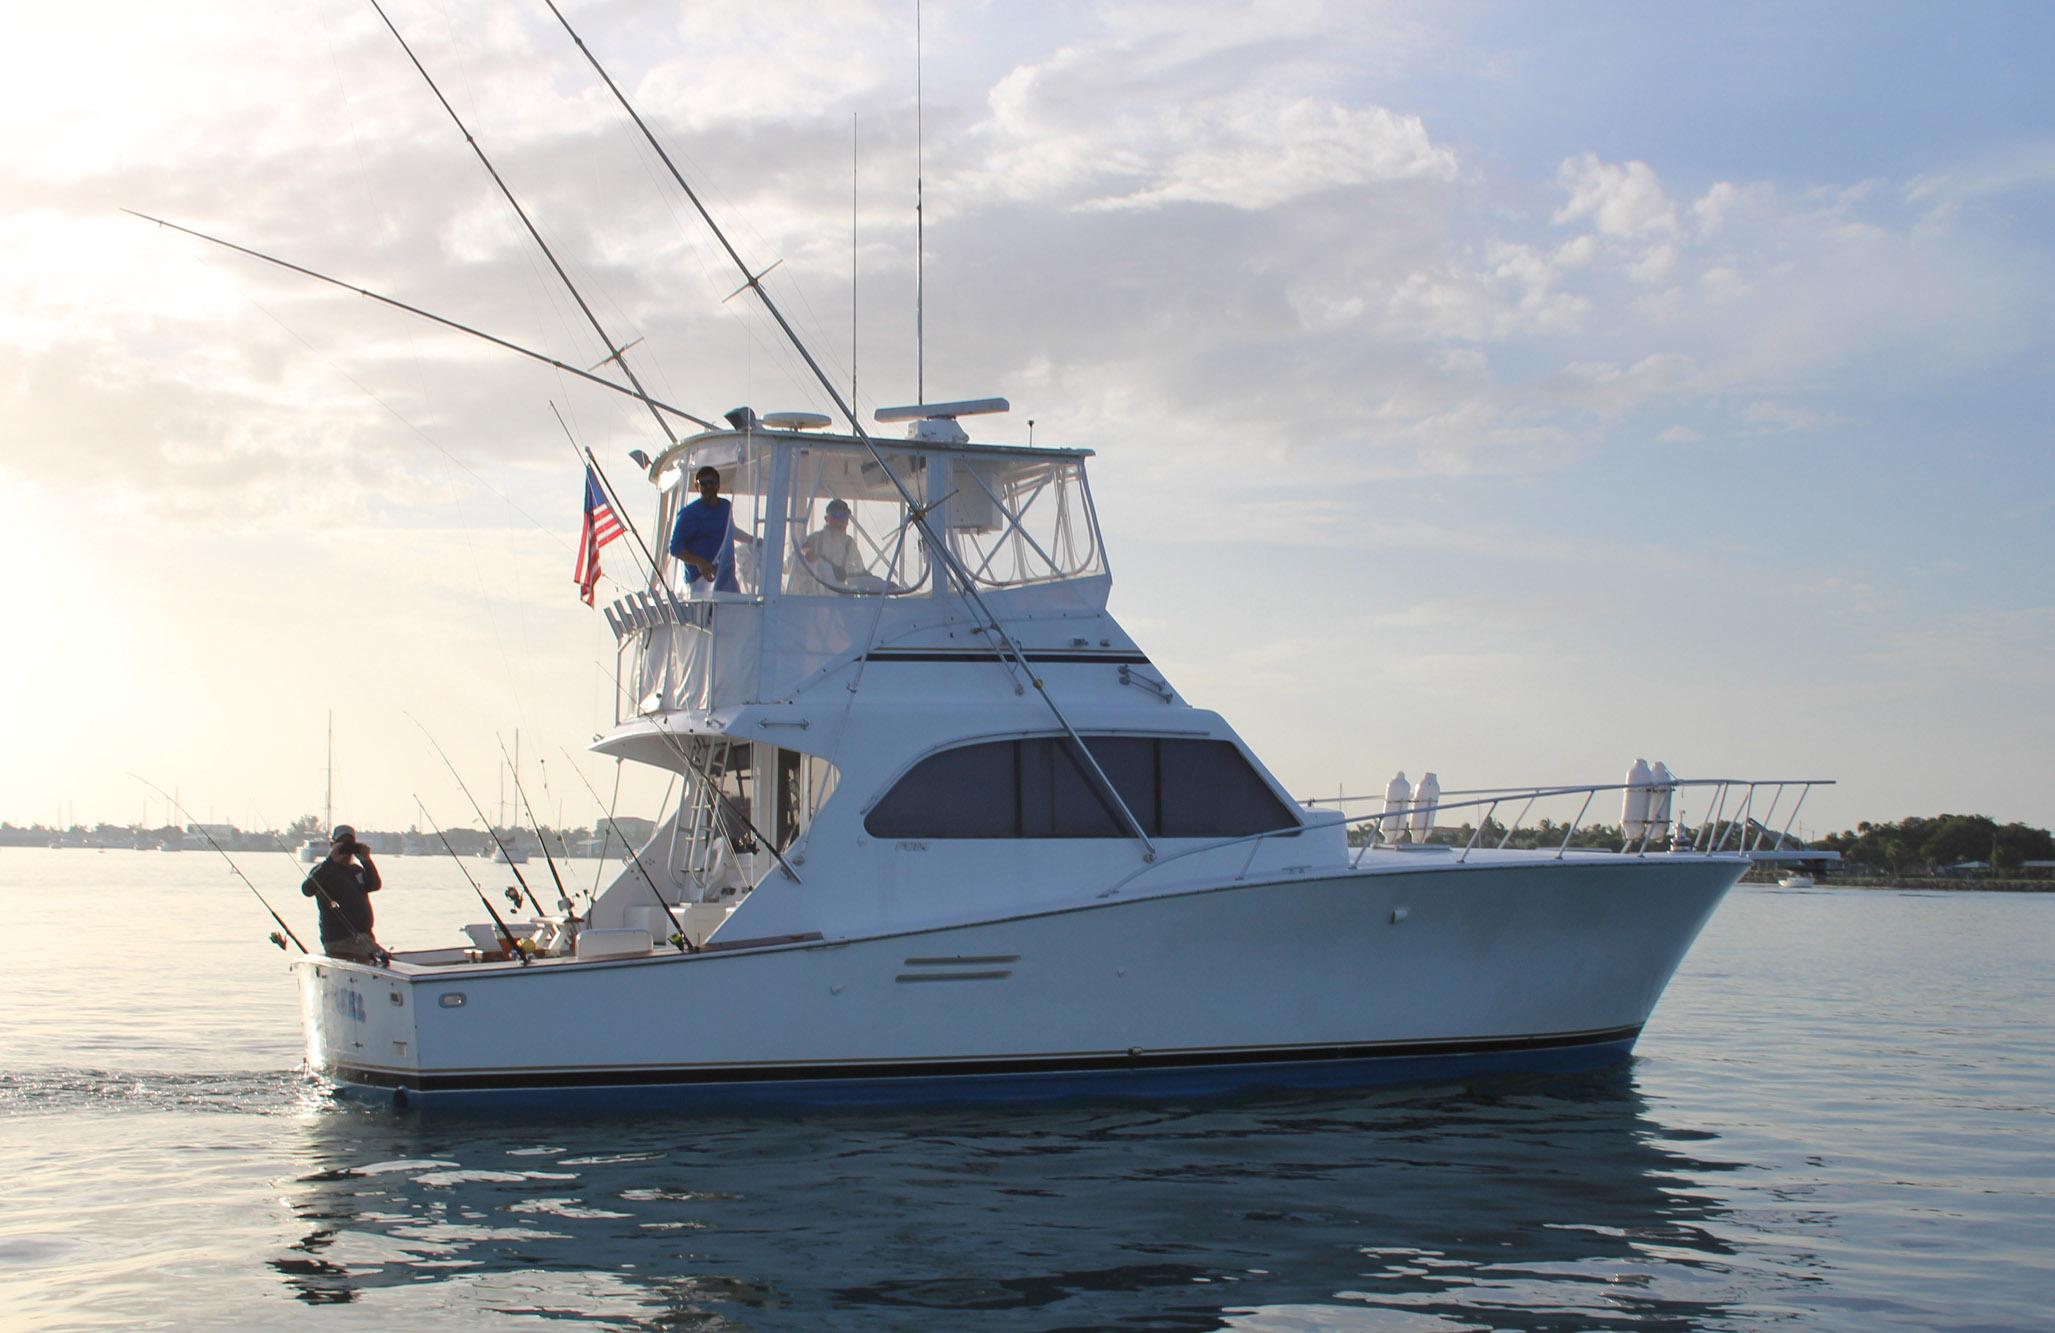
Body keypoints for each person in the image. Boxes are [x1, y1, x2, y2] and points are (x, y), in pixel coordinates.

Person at [301, 824, 386, 963]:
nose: (346, 851)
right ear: (332, 845)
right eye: (342, 846)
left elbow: (375, 885)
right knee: (379, 962)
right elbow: (307, 890)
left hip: (364, 938)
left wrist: (367, 861)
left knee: (387, 962)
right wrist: (330, 861)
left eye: (350, 846)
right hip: (339, 941)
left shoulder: (356, 870)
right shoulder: (323, 871)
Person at [668, 465, 755, 594]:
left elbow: (730, 531)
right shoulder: (688, 514)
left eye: (712, 482)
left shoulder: (726, 507)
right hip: (700, 581)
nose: (708, 486)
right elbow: (675, 548)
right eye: (703, 483)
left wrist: (752, 540)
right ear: (697, 487)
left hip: (726, 578)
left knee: (736, 610)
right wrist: (700, 562)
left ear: (718, 485)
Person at [791, 498, 866, 594]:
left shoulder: (849, 544)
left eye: (844, 516)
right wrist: (808, 557)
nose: (840, 520)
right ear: (827, 518)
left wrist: (881, 583)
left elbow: (860, 572)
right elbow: (793, 562)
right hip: (815, 600)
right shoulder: (814, 539)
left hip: (841, 600)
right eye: (836, 515)